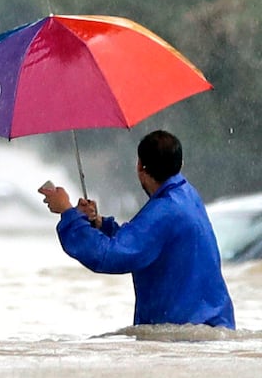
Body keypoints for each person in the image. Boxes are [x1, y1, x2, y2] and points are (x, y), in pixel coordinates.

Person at [39, 130, 235, 329]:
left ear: (139, 166)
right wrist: (98, 223)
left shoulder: (164, 212)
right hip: (214, 326)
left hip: (184, 335)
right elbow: (143, 240)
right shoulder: (186, 195)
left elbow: (108, 256)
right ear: (180, 165)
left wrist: (67, 213)